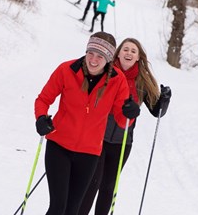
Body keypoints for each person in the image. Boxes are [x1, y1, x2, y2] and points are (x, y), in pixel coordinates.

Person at [34, 32, 141, 215]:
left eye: (100, 56)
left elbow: (122, 120)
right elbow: (43, 99)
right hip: (59, 145)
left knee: (73, 210)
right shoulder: (67, 70)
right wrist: (41, 118)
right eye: (90, 53)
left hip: (89, 153)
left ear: (108, 59)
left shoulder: (117, 81)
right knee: (58, 207)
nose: (93, 59)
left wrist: (130, 113)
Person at [78, 38, 172, 215]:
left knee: (108, 186)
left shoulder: (143, 81)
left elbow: (156, 110)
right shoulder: (106, 73)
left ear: (138, 57)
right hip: (97, 138)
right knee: (92, 183)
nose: (129, 53)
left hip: (122, 142)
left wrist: (164, 101)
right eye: (125, 49)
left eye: (133, 51)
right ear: (118, 53)